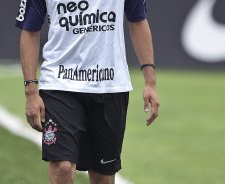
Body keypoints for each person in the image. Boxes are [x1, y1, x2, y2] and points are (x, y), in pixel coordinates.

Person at [15, 0, 159, 183]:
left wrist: (150, 82)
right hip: (59, 83)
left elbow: (138, 20)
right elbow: (29, 31)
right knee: (63, 167)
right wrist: (31, 92)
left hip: (110, 85)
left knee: (103, 178)